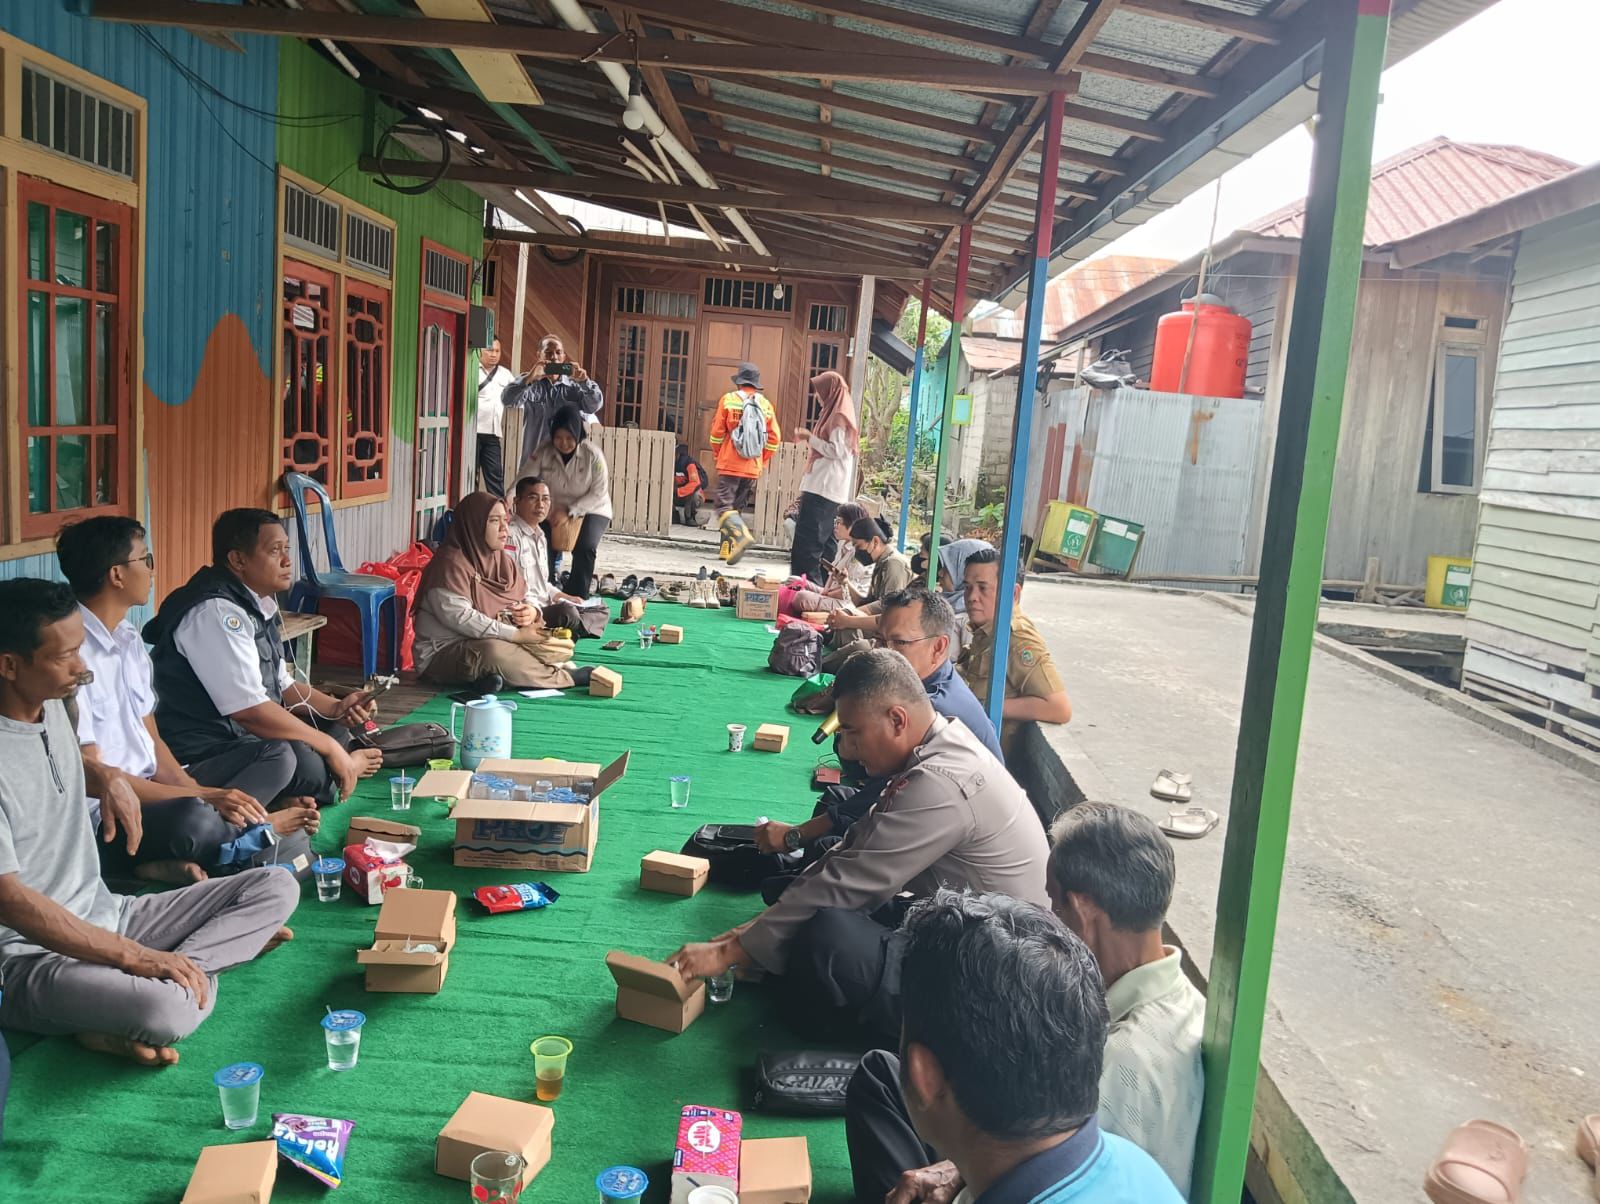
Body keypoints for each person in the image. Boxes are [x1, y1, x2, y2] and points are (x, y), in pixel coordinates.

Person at [668, 649, 1049, 1037]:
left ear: (897, 720)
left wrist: (727, 952)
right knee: (800, 894)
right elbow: (853, 848)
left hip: (997, 985)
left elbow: (850, 880)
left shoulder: (942, 782)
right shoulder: (938, 742)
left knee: (829, 937)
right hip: (964, 932)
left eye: (853, 732)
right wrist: (746, 935)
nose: (847, 749)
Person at [0, 579, 300, 1068]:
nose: (83, 667)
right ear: (9, 665)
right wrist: (134, 957)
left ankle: (160, 981)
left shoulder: (52, 706)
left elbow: (62, 762)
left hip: (112, 914)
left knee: (276, 887)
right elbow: (9, 901)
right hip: (29, 959)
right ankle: (192, 966)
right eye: (65, 656)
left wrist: (108, 776)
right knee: (166, 1010)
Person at [847, 804, 1205, 1201]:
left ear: (1084, 911)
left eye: (1054, 903)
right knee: (882, 1073)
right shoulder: (1184, 1004)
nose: (1050, 918)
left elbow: (1043, 1166)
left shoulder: (1120, 1063)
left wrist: (959, 1178)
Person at [56, 518, 319, 885]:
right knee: (191, 820)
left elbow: (153, 743)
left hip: (159, 786)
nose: (152, 569)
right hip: (112, 811)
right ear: (116, 574)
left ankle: (193, 850)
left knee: (279, 755)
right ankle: (255, 830)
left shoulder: (128, 639)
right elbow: (97, 779)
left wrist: (197, 792)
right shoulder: (72, 654)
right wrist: (205, 797)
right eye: (145, 560)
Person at [144, 510, 381, 809]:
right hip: (204, 751)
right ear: (238, 560)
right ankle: (339, 772)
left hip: (243, 740)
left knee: (336, 727)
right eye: (274, 551)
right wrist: (332, 749)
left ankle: (290, 793)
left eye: (286, 549)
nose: (286, 561)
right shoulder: (215, 613)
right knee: (303, 759)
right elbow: (251, 712)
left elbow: (282, 683)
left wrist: (336, 707)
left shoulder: (255, 603)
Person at [756, 589, 1003, 868]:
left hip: (956, 863)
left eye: (899, 642)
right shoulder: (922, 688)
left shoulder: (934, 709)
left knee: (832, 854)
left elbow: (882, 795)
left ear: (938, 647)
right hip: (927, 820)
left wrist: (795, 835)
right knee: (835, 802)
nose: (885, 654)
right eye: (881, 641)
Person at [412, 491, 578, 693]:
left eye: (505, 520)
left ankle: (487, 679)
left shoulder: (501, 560)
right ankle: (563, 676)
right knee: (493, 652)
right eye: (493, 521)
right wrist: (516, 635)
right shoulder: (449, 565)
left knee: (549, 631)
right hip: (444, 654)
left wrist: (532, 611)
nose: (503, 528)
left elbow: (523, 594)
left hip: (491, 637)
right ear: (474, 524)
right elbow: (462, 619)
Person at [959, 547, 1071, 756]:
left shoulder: (1016, 638)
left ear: (1013, 593)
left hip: (990, 762)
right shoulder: (987, 630)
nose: (972, 597)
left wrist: (984, 707)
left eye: (983, 588)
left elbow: (1059, 708)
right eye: (967, 587)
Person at [527, 405, 612, 599]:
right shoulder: (544, 450)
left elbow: (599, 491)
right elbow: (526, 476)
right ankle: (543, 592)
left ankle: (577, 597)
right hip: (553, 508)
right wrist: (509, 498)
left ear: (578, 435)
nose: (563, 443)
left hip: (593, 507)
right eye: (558, 437)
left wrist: (570, 511)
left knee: (585, 547)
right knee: (540, 541)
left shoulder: (593, 455)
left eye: (569, 438)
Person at [789, 371, 859, 582]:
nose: (818, 397)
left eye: (820, 392)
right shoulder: (835, 413)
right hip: (828, 490)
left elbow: (836, 451)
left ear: (830, 391)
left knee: (808, 546)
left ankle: (804, 589)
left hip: (823, 490)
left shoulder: (838, 417)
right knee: (825, 545)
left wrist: (811, 437)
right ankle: (818, 590)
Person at [708, 361, 780, 565]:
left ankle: (738, 537)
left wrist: (718, 453)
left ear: (739, 382)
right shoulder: (765, 405)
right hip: (752, 466)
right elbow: (774, 439)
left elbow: (716, 434)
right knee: (736, 507)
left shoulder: (729, 400)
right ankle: (727, 547)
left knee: (723, 505)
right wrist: (761, 461)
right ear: (756, 384)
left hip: (730, 463)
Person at [507, 475, 589, 635]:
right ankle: (571, 627)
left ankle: (574, 627)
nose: (540, 505)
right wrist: (533, 609)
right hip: (529, 610)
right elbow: (511, 586)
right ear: (517, 502)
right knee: (567, 613)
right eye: (533, 498)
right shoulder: (511, 535)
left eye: (545, 499)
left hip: (546, 603)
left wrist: (565, 596)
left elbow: (543, 584)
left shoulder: (541, 536)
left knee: (598, 608)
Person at [509, 334, 604, 473]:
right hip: (534, 465)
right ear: (539, 356)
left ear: (564, 357)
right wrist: (529, 378)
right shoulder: (531, 383)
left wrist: (585, 382)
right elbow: (509, 400)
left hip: (566, 468)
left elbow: (594, 405)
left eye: (558, 353)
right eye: (548, 353)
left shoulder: (576, 386)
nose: (554, 357)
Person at [475, 337, 517, 499]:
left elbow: (517, 397)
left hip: (493, 433)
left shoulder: (505, 374)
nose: (493, 355)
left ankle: (498, 511)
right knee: (470, 474)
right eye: (490, 350)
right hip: (473, 432)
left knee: (495, 476)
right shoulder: (472, 371)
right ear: (480, 351)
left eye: (497, 351)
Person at [673, 442, 707, 527]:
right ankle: (674, 515)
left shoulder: (688, 462)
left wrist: (678, 491)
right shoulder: (665, 462)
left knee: (694, 494)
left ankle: (689, 516)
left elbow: (695, 483)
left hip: (690, 496)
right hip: (674, 495)